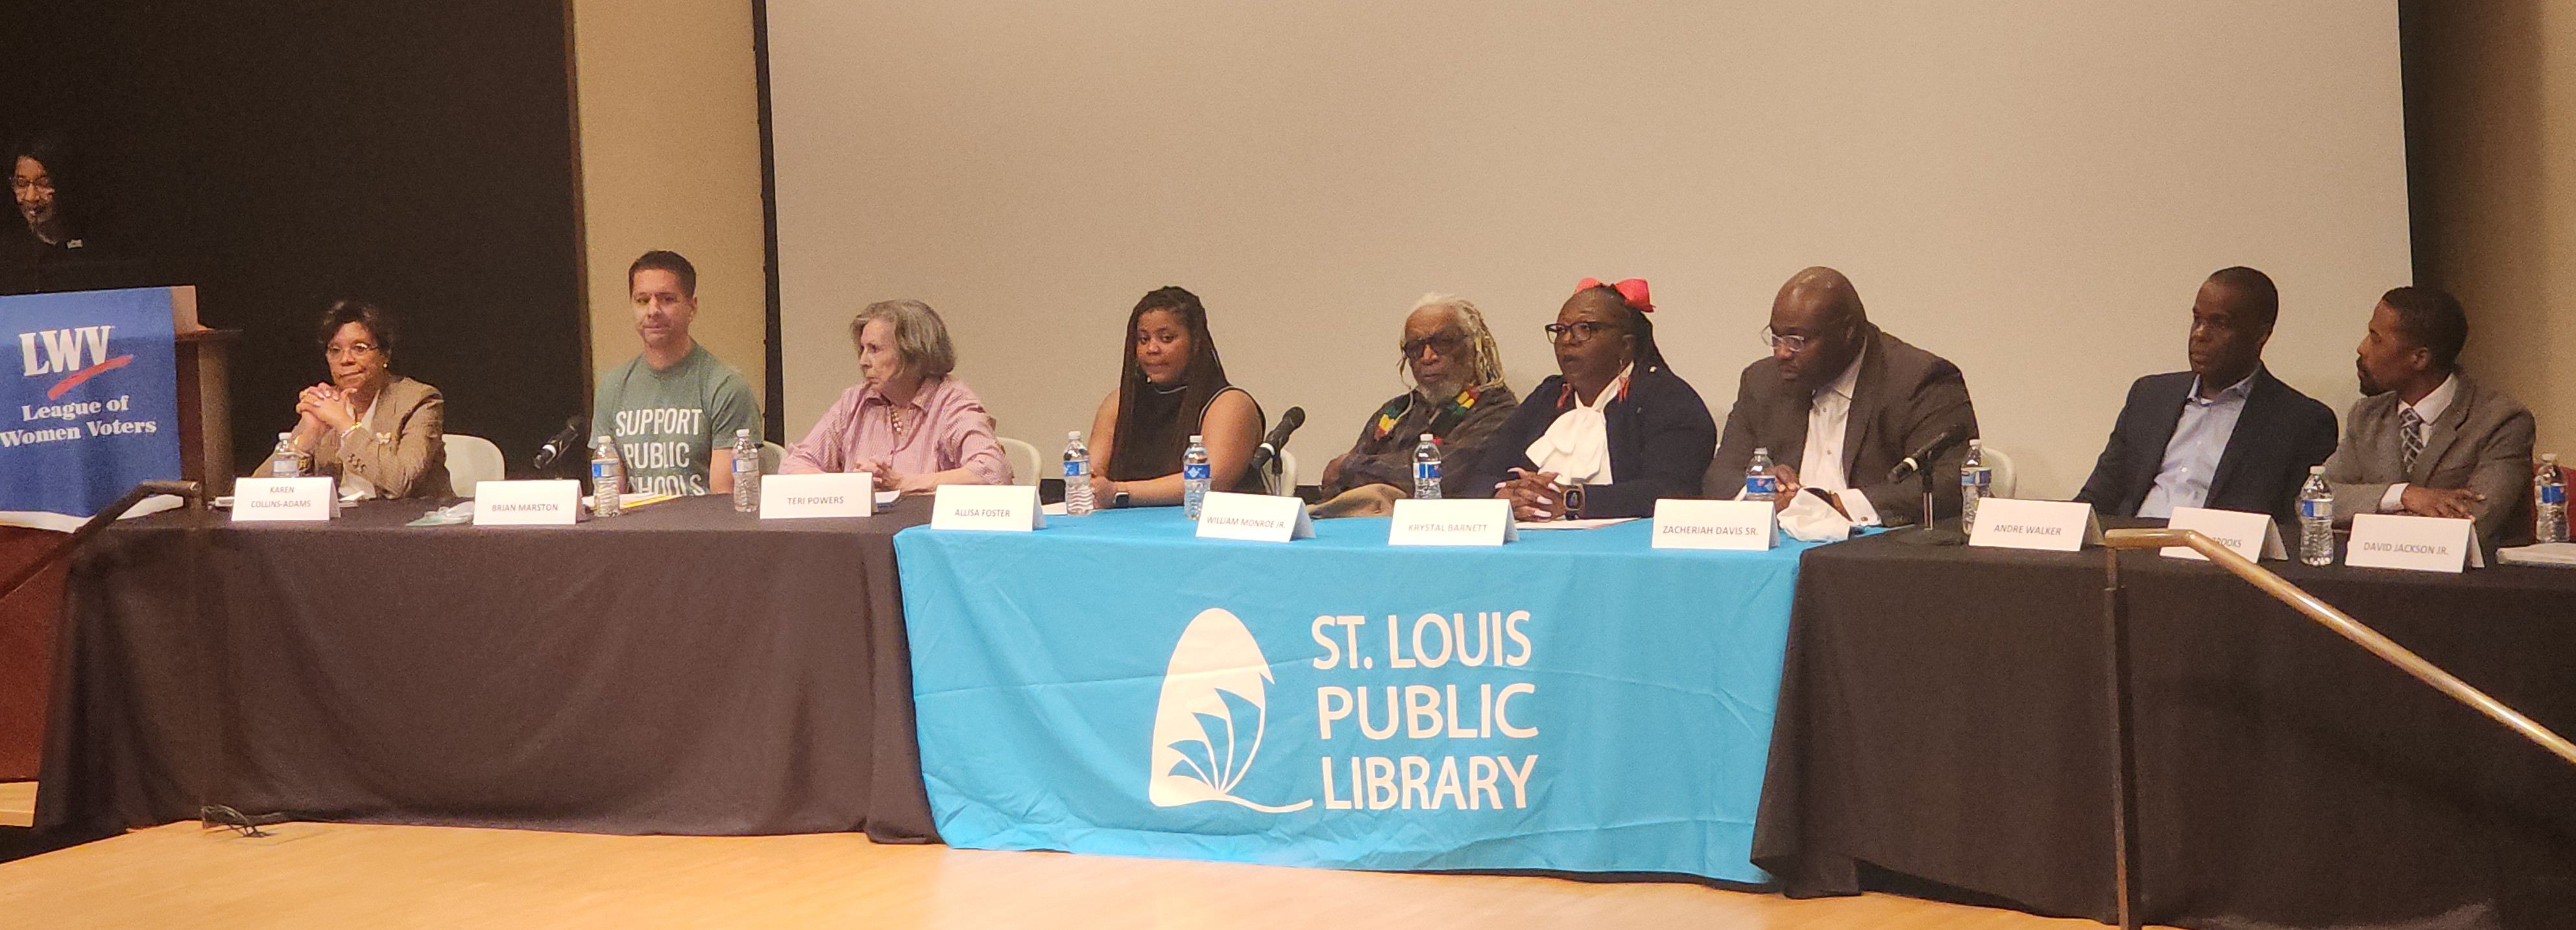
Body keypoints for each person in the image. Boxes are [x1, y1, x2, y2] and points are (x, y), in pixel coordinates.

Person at [1704, 267, 1977, 527]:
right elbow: (1721, 476)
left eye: (1796, 341)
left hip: (1871, 553)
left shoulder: (1917, 380)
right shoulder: (1763, 381)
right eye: (1776, 338)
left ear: (1847, 332)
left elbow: (1951, 480)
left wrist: (1836, 505)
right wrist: (1762, 492)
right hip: (1782, 547)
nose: (1782, 353)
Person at [2075, 267, 2337, 524]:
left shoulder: (2301, 422)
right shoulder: (2149, 397)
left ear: (2261, 335)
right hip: (2130, 551)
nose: (2199, 334)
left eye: (2220, 323)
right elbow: (2099, 496)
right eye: (2197, 319)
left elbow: (2292, 527)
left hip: (2217, 560)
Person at [1465, 278, 1715, 520]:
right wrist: (1504, 496)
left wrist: (1573, 500)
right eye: (1561, 330)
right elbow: (1482, 474)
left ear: (1625, 345)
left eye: (1585, 329)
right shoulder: (1547, 396)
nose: (1567, 341)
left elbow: (1672, 490)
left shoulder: (1668, 399)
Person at [2321, 285, 2534, 549]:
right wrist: (2403, 495)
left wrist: (2366, 517)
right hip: (2374, 579)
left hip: (2468, 584)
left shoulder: (2501, 421)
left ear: (2419, 359)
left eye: (2376, 339)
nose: (2362, 348)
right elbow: (2317, 501)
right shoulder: (2367, 416)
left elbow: (2475, 519)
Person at [781, 299, 1011, 491]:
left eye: (875, 349)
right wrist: (851, 486)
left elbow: (992, 470)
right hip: (861, 538)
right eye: (862, 350)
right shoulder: (854, 401)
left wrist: (903, 483)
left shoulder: (951, 401)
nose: (863, 361)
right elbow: (794, 466)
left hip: (924, 536)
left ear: (911, 352)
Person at [1316, 293, 1518, 507]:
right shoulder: (1398, 411)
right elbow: (1336, 483)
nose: (1428, 357)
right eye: (1416, 348)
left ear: (1473, 345)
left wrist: (1350, 466)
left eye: (1443, 342)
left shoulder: (1498, 408)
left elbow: (1445, 474)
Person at [592, 250, 760, 497]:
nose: (653, 311)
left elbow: (726, 499)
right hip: (636, 531)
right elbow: (609, 493)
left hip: (701, 532)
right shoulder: (613, 387)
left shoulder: (725, 386)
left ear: (692, 307)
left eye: (667, 299)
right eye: (642, 300)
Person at [250, 300, 451, 498]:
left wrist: (346, 426)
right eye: (335, 350)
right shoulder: (327, 404)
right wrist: (308, 437)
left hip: (407, 525)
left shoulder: (418, 400)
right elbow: (256, 493)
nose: (345, 359)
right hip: (339, 526)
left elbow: (402, 482)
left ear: (385, 354)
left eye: (360, 348)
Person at [1087, 286, 1266, 506]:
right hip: (1129, 527)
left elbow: (1210, 481)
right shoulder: (1119, 402)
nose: (1152, 348)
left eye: (1166, 338)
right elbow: (1090, 476)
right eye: (1143, 340)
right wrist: (1098, 485)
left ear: (1195, 344)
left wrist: (1120, 491)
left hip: (1210, 530)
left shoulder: (1230, 404)